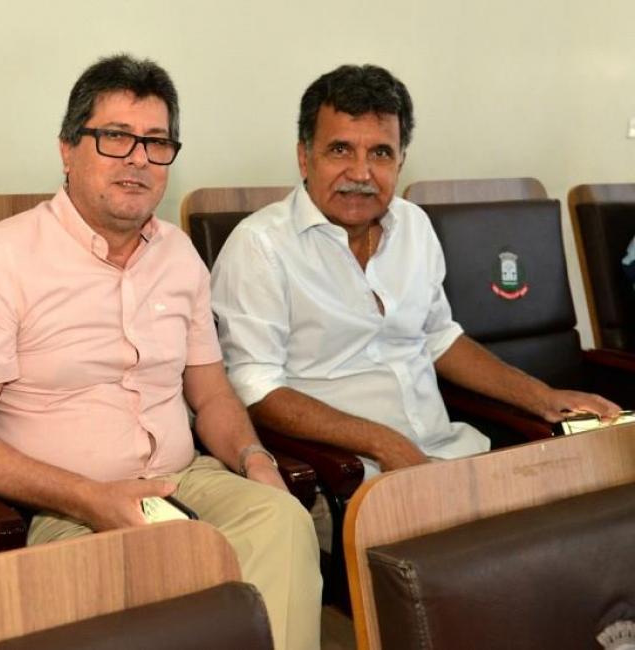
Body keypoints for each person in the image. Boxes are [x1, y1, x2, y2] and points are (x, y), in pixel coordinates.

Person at [0, 54, 321, 650]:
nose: (138, 159)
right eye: (116, 137)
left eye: (156, 142)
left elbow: (212, 394)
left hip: (185, 480)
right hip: (68, 505)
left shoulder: (180, 256)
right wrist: (89, 498)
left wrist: (253, 457)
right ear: (67, 149)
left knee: (282, 519)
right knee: (151, 592)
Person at [210, 64, 619, 477]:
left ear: (401, 161)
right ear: (304, 157)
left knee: (592, 483)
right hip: (347, 475)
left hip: (449, 455)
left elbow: (438, 337)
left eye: (380, 153)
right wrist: (381, 442)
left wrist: (543, 397)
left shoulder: (413, 226)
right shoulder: (260, 245)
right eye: (340, 150)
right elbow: (254, 386)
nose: (360, 173)